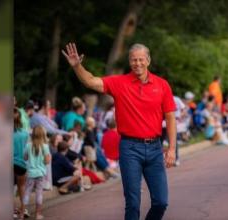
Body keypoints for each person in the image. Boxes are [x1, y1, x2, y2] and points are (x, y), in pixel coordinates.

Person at [62, 42, 176, 220]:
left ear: (148, 60)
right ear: (130, 62)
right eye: (133, 60)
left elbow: (170, 118)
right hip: (130, 149)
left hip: (155, 148)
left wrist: (171, 148)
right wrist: (77, 66)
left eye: (140, 59)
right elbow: (90, 81)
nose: (137, 63)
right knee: (132, 202)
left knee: (161, 202)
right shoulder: (119, 83)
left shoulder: (162, 85)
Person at [22, 125, 51, 220]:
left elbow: (25, 157)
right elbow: (47, 162)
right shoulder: (45, 146)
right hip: (40, 173)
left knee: (27, 192)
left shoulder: (28, 145)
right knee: (39, 193)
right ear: (43, 134)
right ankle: (38, 215)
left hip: (30, 173)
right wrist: (48, 158)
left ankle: (22, 214)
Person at [13, 108, 29, 219]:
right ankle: (22, 212)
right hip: (22, 164)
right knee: (22, 187)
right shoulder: (25, 133)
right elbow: (27, 151)